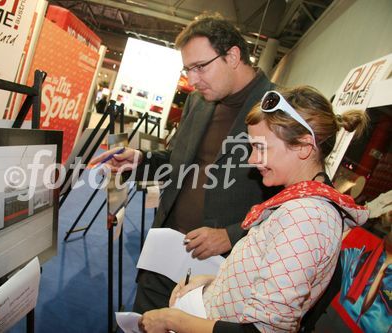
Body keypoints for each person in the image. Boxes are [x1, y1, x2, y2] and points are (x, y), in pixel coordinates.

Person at [137, 86, 370, 332]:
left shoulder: (306, 217)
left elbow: (262, 330)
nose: (251, 159)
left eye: (260, 147)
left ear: (303, 146)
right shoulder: (299, 204)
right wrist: (212, 283)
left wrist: (171, 320)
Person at [90, 13, 279, 313]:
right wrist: (141, 159)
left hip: (219, 269)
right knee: (144, 320)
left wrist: (231, 235)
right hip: (165, 248)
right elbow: (177, 160)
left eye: (200, 67)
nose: (192, 80)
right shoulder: (198, 101)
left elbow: (289, 203)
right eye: (188, 69)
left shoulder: (277, 110)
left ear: (233, 56)